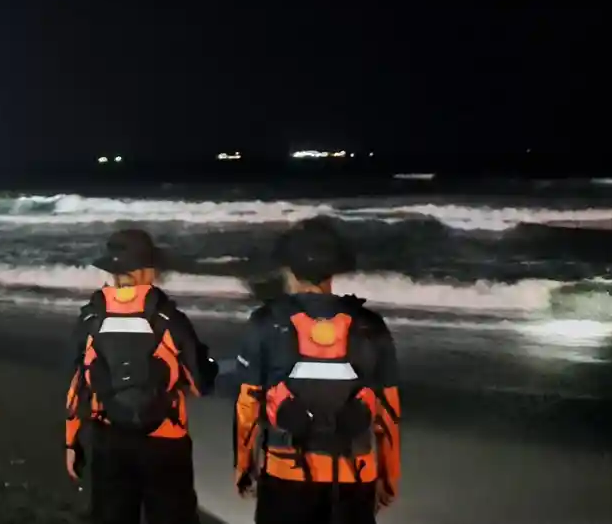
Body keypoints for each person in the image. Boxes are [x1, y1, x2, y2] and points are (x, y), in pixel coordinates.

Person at [233, 216, 402, 524]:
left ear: (288, 268)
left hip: (285, 475)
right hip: (355, 474)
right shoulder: (370, 325)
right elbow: (388, 413)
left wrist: (244, 465)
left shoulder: (265, 322)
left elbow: (248, 406)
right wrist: (388, 476)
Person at [64, 229, 212, 524]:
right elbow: (200, 383)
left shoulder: (91, 318)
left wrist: (72, 443)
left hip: (109, 438)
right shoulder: (170, 319)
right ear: (148, 271)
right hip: (165, 441)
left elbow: (78, 385)